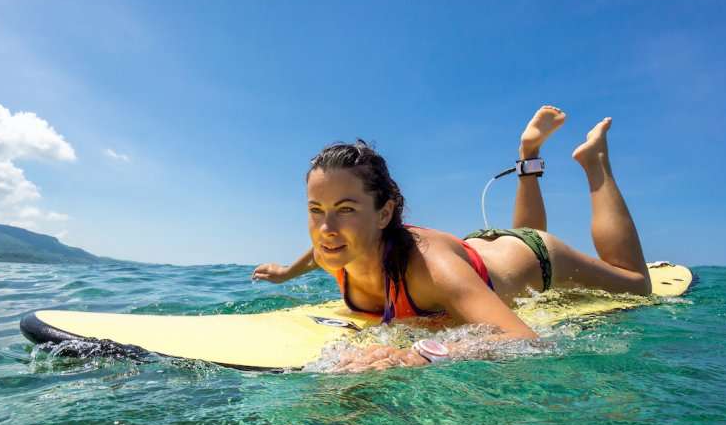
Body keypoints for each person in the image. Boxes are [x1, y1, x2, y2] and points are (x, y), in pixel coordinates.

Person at [252, 106, 651, 372]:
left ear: (385, 213)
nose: (326, 229)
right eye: (315, 210)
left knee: (637, 284)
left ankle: (595, 162)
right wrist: (286, 272)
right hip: (483, 252)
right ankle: (529, 152)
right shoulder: (335, 248)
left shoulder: (430, 269)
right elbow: (318, 252)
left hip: (537, 256)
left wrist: (416, 355)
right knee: (524, 232)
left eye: (346, 209)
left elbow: (525, 339)